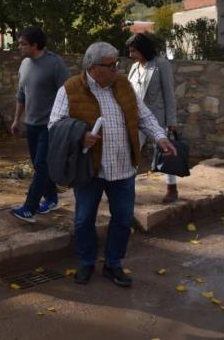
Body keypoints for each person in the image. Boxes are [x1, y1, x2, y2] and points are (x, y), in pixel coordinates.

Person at [48, 42, 177, 287]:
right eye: (111, 66)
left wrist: (160, 137)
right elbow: (54, 125)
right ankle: (86, 262)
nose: (116, 69)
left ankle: (113, 264)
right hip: (90, 169)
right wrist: (80, 135)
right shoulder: (71, 89)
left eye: (117, 64)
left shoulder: (124, 86)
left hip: (123, 167)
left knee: (123, 218)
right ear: (93, 67)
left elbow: (144, 116)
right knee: (84, 219)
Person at [9, 26, 69, 223]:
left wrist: (63, 122)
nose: (19, 47)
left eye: (23, 44)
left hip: (50, 125)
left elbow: (67, 93)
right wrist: (17, 119)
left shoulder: (55, 63)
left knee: (41, 166)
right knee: (39, 164)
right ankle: (51, 199)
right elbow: (22, 94)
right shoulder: (24, 64)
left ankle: (30, 208)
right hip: (31, 123)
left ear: (35, 45)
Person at [126, 33, 179, 203]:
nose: (131, 55)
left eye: (134, 51)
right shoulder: (134, 68)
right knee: (131, 152)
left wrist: (172, 121)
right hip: (137, 118)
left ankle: (172, 188)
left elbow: (169, 94)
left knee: (167, 152)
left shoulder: (161, 65)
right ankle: (127, 190)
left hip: (158, 117)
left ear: (143, 49)